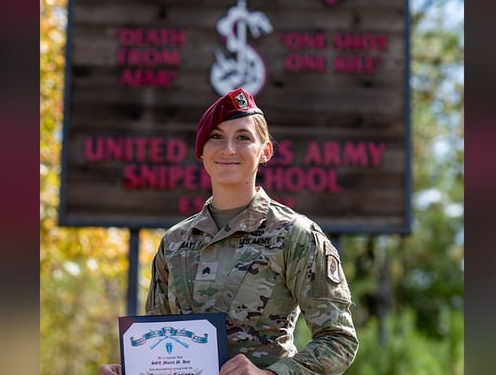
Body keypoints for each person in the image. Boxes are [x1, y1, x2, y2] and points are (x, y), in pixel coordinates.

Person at [99, 88, 359, 375]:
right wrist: (130, 370)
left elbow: (339, 340)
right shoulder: (174, 243)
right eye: (216, 137)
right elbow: (161, 349)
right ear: (202, 152)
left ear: (266, 152)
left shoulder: (295, 236)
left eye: (243, 137)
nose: (228, 149)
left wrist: (269, 374)